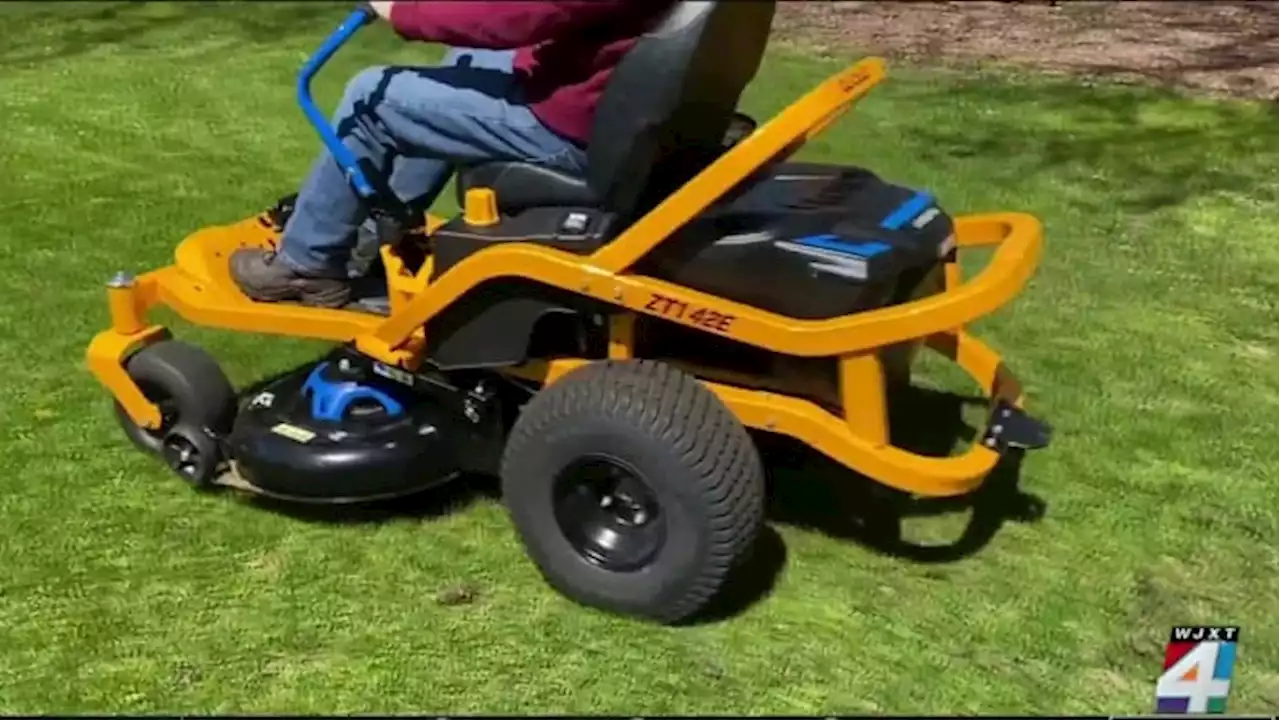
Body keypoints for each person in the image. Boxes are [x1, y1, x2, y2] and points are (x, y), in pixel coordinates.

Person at [231, 0, 672, 308]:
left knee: (371, 97)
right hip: (603, 106)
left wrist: (405, 12)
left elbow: (520, 16)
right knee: (470, 58)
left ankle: (306, 265)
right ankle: (377, 228)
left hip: (569, 131)